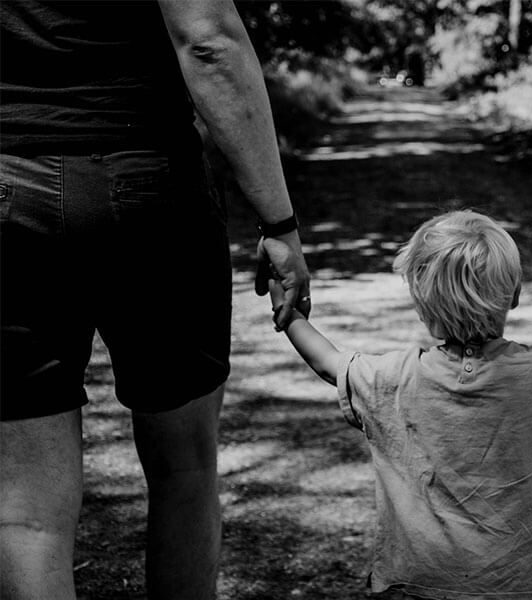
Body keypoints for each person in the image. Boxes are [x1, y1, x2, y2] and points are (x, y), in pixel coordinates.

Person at [0, 1, 310, 598]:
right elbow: (208, 40)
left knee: (24, 511)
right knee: (185, 469)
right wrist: (279, 223)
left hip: (9, 188)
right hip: (150, 189)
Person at [269, 210, 532, 599]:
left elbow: (330, 364)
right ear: (515, 294)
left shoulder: (398, 376)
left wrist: (291, 314)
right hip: (528, 582)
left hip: (424, 583)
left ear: (420, 304)